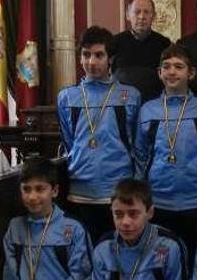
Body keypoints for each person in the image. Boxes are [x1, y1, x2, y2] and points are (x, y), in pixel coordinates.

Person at [56, 25, 141, 241]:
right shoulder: (67, 97)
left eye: (99, 55)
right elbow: (69, 141)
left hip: (118, 190)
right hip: (80, 189)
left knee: (117, 254)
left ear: (110, 58)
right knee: (84, 254)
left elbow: (137, 144)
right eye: (86, 55)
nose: (91, 62)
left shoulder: (130, 96)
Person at [134, 44, 197, 264]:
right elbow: (140, 155)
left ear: (191, 73)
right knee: (162, 262)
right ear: (159, 73)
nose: (172, 72)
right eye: (167, 67)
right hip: (160, 202)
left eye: (179, 67)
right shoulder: (147, 110)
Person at [113, 0, 172, 103]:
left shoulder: (164, 44)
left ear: (153, 16)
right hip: (121, 102)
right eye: (137, 12)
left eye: (146, 12)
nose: (142, 17)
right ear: (128, 15)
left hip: (155, 104)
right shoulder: (114, 42)